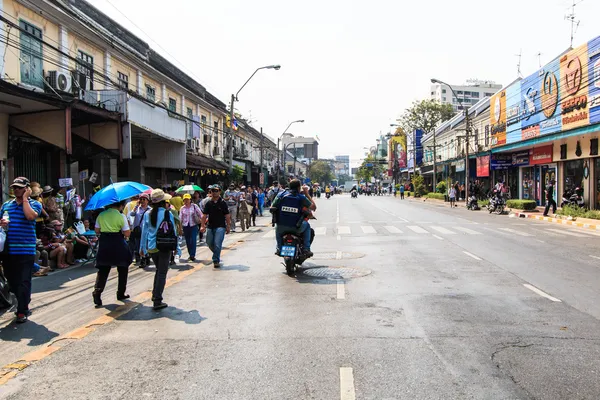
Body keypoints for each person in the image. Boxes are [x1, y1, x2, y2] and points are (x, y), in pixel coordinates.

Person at [0, 177, 42, 323]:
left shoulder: (34, 204)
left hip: (26, 250)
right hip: (9, 251)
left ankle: (22, 311)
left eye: (19, 187)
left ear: (26, 189)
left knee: (24, 281)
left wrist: (25, 199)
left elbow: (30, 216)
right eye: (14, 187)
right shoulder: (6, 205)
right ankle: (24, 300)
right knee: (12, 282)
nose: (16, 190)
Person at [140, 189, 176, 310]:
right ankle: (157, 300)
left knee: (158, 270)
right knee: (162, 273)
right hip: (164, 246)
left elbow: (144, 232)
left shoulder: (147, 214)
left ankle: (155, 295)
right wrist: (177, 248)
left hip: (151, 247)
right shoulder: (167, 213)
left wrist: (142, 248)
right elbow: (173, 231)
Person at [92, 200, 132, 308]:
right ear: (121, 205)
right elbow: (127, 233)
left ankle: (97, 292)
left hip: (104, 243)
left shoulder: (101, 214)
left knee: (103, 270)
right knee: (123, 268)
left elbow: (97, 230)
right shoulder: (121, 216)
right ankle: (120, 293)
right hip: (118, 243)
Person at [272, 179, 317, 257]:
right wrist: (307, 194)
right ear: (299, 188)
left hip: (281, 227)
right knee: (307, 226)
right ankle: (306, 249)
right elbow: (314, 207)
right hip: (297, 227)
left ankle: (279, 248)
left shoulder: (280, 195)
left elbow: (272, 207)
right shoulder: (301, 197)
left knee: (277, 228)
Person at [200, 185, 231, 268]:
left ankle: (216, 260)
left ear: (219, 192)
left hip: (220, 226)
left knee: (217, 244)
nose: (214, 192)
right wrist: (202, 226)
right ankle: (216, 253)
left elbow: (227, 215)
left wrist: (228, 226)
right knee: (209, 243)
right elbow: (204, 215)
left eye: (216, 191)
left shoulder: (223, 203)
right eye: (212, 191)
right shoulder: (208, 203)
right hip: (210, 226)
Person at [130, 193, 151, 268]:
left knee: (146, 245)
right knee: (139, 245)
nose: (142, 201)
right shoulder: (137, 209)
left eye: (144, 199)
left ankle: (146, 258)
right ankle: (143, 259)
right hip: (138, 231)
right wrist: (136, 206)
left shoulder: (150, 210)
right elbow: (131, 214)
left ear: (147, 201)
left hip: (146, 231)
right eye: (141, 199)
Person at [179, 193, 202, 262]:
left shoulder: (194, 206)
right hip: (185, 226)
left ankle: (192, 255)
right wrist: (179, 227)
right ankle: (190, 254)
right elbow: (180, 218)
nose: (186, 201)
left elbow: (200, 214)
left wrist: (203, 222)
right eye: (184, 200)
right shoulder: (182, 208)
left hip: (193, 225)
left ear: (190, 200)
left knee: (193, 240)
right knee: (188, 241)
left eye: (187, 200)